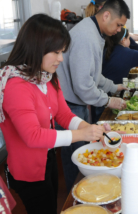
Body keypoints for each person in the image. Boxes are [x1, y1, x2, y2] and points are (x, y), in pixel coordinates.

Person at [0, 14, 106, 214]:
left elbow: (64, 115)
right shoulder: (16, 86)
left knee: (52, 203)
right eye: (56, 52)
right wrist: (82, 135)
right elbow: (33, 136)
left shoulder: (46, 77)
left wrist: (89, 128)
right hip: (28, 170)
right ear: (37, 47)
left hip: (47, 157)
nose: (61, 59)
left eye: (62, 52)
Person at [56, 0, 130, 192]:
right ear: (106, 15)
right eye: (119, 25)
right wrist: (108, 100)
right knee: (77, 153)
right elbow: (83, 85)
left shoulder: (96, 32)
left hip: (77, 102)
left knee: (79, 148)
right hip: (70, 105)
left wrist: (114, 87)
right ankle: (77, 194)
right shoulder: (86, 36)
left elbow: (94, 75)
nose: (118, 30)